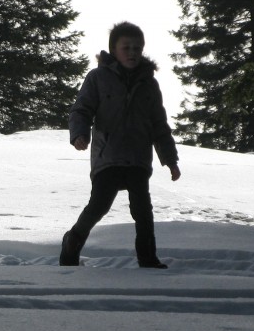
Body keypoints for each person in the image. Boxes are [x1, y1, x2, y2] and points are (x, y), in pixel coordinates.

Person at [60, 21, 181, 268]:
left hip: (138, 158)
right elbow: (81, 110)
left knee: (143, 211)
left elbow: (159, 124)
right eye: (126, 47)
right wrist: (79, 135)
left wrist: (170, 160)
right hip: (108, 156)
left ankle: (147, 258)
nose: (132, 52)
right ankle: (72, 241)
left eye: (137, 48)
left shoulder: (149, 84)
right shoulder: (97, 78)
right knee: (99, 206)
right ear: (114, 50)